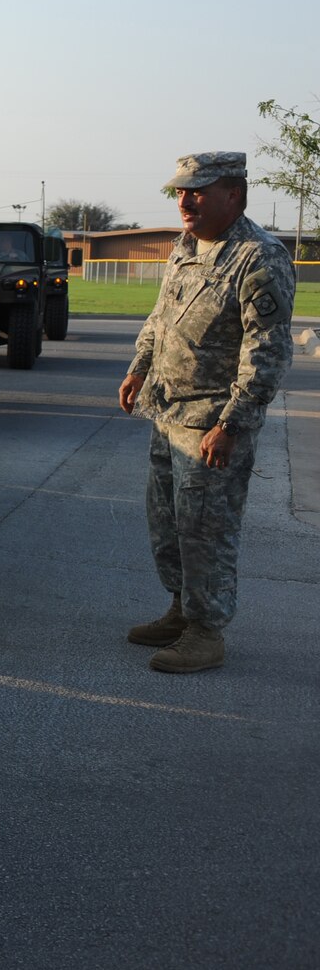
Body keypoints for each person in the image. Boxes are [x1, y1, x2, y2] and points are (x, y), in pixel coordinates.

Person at [117, 152, 295, 673]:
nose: (184, 200)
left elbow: (266, 351)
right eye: (180, 191)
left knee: (205, 530)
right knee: (167, 523)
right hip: (167, 411)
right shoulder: (186, 247)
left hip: (213, 422)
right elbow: (162, 315)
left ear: (233, 194)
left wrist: (233, 423)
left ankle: (206, 632)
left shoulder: (259, 257)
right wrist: (138, 366)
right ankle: (180, 610)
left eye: (197, 190)